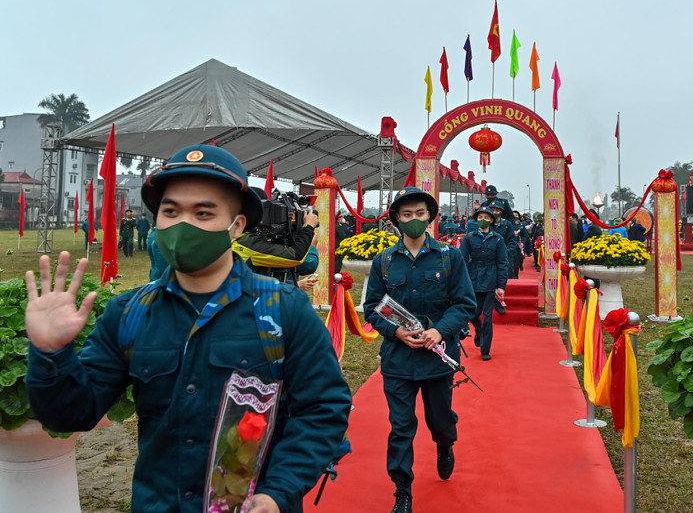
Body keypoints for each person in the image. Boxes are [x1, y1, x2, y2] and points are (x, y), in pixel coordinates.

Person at [25, 144, 351, 513]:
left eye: (203, 213)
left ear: (237, 226)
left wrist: (278, 491)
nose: (183, 225)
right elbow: (71, 414)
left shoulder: (284, 311)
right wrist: (51, 354)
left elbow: (324, 409)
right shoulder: (129, 313)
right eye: (171, 211)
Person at [363, 186, 476, 513]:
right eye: (407, 214)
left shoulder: (448, 256)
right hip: (398, 360)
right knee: (401, 427)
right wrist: (395, 330)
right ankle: (402, 489)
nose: (414, 220)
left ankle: (445, 443)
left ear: (430, 217)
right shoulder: (383, 261)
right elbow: (372, 307)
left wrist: (439, 331)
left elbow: (465, 303)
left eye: (420, 214)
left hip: (437, 358)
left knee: (439, 419)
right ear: (396, 219)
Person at [459, 206, 508, 361]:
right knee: (473, 313)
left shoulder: (498, 239)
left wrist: (501, 285)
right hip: (473, 278)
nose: (483, 220)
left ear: (492, 220)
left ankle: (485, 349)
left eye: (486, 218)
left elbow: (502, 262)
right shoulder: (469, 237)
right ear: (476, 219)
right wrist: (461, 280)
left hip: (490, 280)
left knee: (488, 317)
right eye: (480, 217)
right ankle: (478, 329)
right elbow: (462, 260)